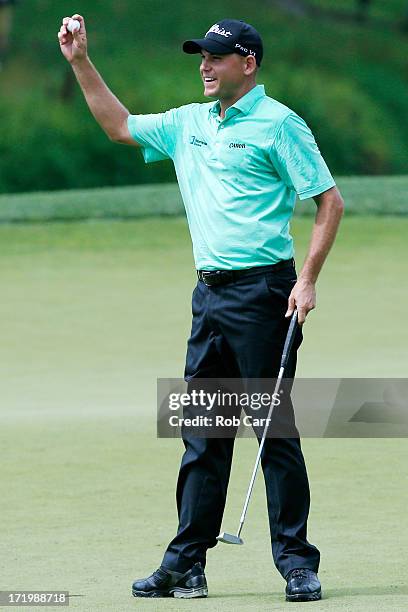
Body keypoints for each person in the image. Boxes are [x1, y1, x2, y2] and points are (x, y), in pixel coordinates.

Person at [58, 16, 344, 603]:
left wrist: (308, 280)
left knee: (272, 433)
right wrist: (80, 61)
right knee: (204, 433)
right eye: (201, 57)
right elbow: (117, 126)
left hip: (267, 293)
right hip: (209, 295)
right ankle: (187, 563)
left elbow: (329, 201)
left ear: (249, 63)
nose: (204, 66)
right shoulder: (188, 123)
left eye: (216, 57)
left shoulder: (280, 124)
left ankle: (296, 563)